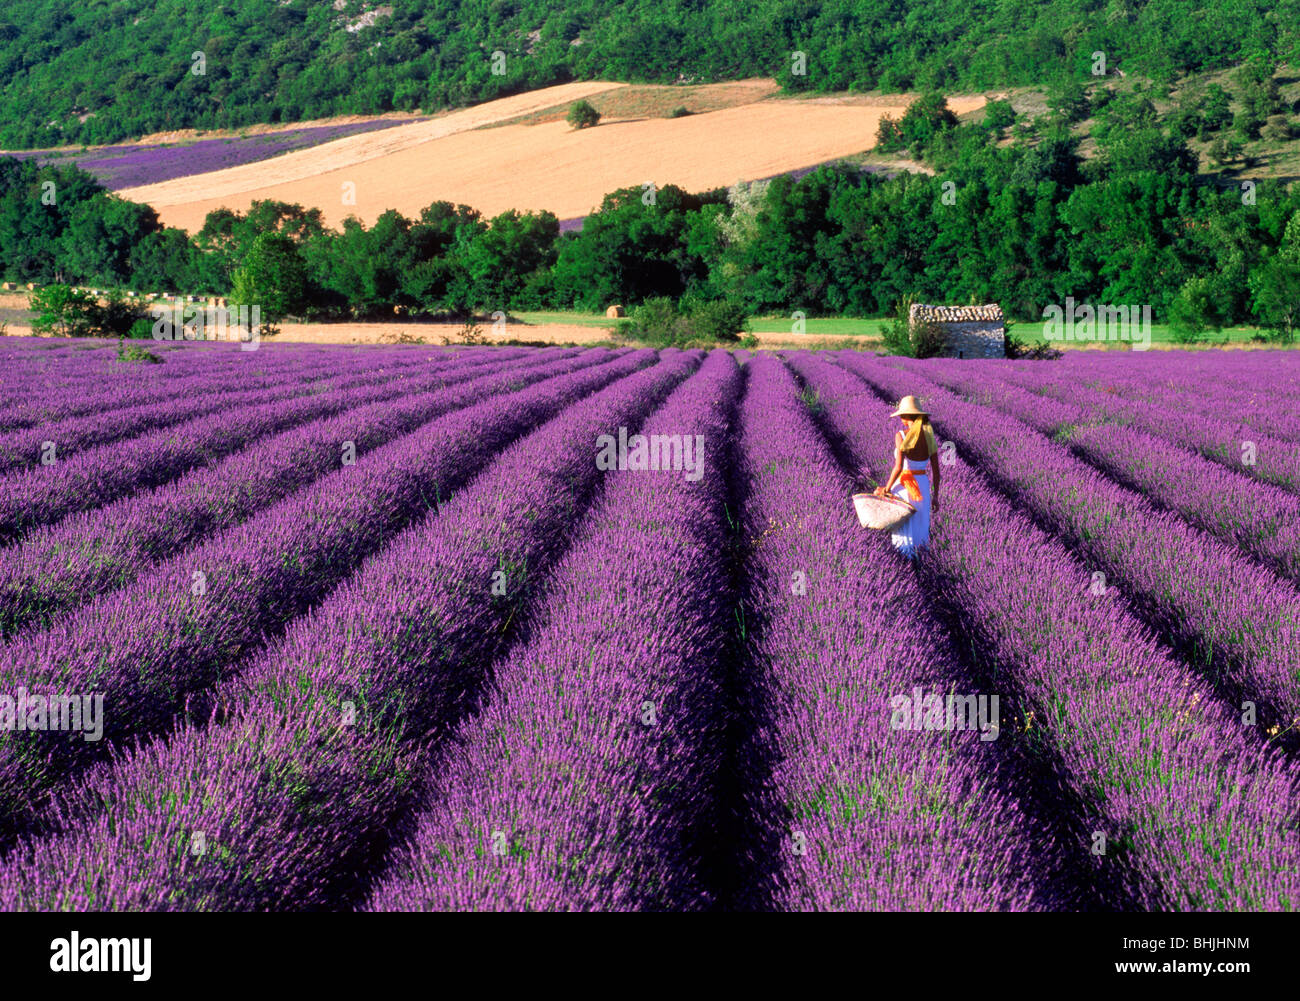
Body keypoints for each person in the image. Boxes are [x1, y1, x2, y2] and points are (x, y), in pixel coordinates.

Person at [873, 395, 940, 557]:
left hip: (904, 486)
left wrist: (886, 489)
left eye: (902, 414)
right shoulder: (929, 437)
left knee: (903, 526)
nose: (901, 417)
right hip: (923, 487)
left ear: (907, 416)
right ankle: (920, 562)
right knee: (920, 525)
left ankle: (903, 562)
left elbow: (898, 468)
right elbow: (937, 474)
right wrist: (936, 497)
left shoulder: (901, 435)